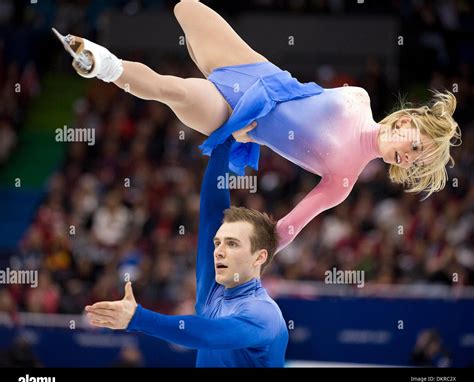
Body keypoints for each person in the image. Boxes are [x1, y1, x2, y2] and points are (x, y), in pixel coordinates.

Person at [56, 0, 461, 252]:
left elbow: (287, 229)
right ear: (407, 120)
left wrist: (255, 265)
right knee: (185, 6)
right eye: (415, 145)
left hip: (237, 118)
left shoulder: (343, 181)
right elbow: (301, 94)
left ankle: (100, 63)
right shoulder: (359, 98)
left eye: (413, 160)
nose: (406, 156)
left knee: (173, 91)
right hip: (255, 70)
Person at [85, 137, 289, 367]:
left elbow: (208, 334)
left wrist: (138, 318)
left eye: (232, 244)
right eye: (217, 243)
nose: (218, 252)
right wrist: (225, 138)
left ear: (259, 257)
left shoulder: (264, 314)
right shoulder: (215, 290)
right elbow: (212, 212)